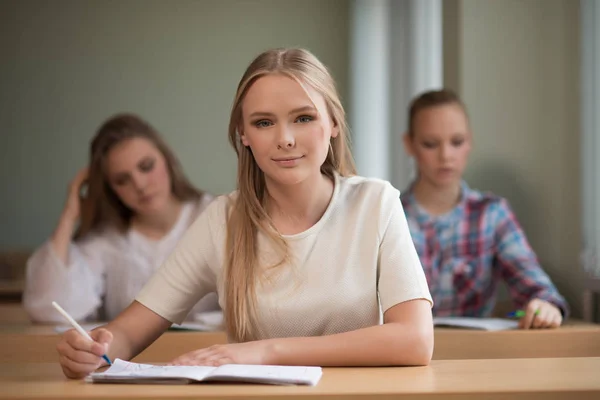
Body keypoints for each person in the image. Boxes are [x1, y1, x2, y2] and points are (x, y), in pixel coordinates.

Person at [55, 48, 434, 379]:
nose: (285, 138)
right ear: (244, 135)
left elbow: (415, 340)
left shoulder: (377, 203)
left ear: (333, 123)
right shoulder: (221, 220)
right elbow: (126, 334)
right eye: (264, 122)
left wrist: (265, 351)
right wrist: (93, 349)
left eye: (303, 118)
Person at [23, 114, 219, 323]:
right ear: (111, 188)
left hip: (214, 352)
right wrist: (69, 215)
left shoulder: (218, 218)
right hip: (130, 356)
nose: (140, 185)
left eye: (146, 166)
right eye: (122, 180)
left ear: (167, 160)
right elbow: (49, 309)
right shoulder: (106, 242)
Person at [400, 89, 569, 329]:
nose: (445, 155)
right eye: (430, 144)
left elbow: (537, 288)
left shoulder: (492, 215)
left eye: (456, 142)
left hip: (477, 354)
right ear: (410, 144)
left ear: (469, 142)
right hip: (404, 357)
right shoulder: (389, 216)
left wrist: (545, 305)